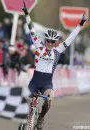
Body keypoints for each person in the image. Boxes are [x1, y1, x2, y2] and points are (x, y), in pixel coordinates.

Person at [22, 1, 87, 130]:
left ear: (55, 42)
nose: (50, 43)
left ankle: (40, 119)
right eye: (49, 41)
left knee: (49, 101)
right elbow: (31, 28)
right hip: (34, 82)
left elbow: (70, 38)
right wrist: (27, 14)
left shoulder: (58, 50)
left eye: (53, 42)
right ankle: (26, 121)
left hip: (47, 84)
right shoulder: (38, 45)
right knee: (25, 100)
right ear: (45, 40)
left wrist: (80, 24)